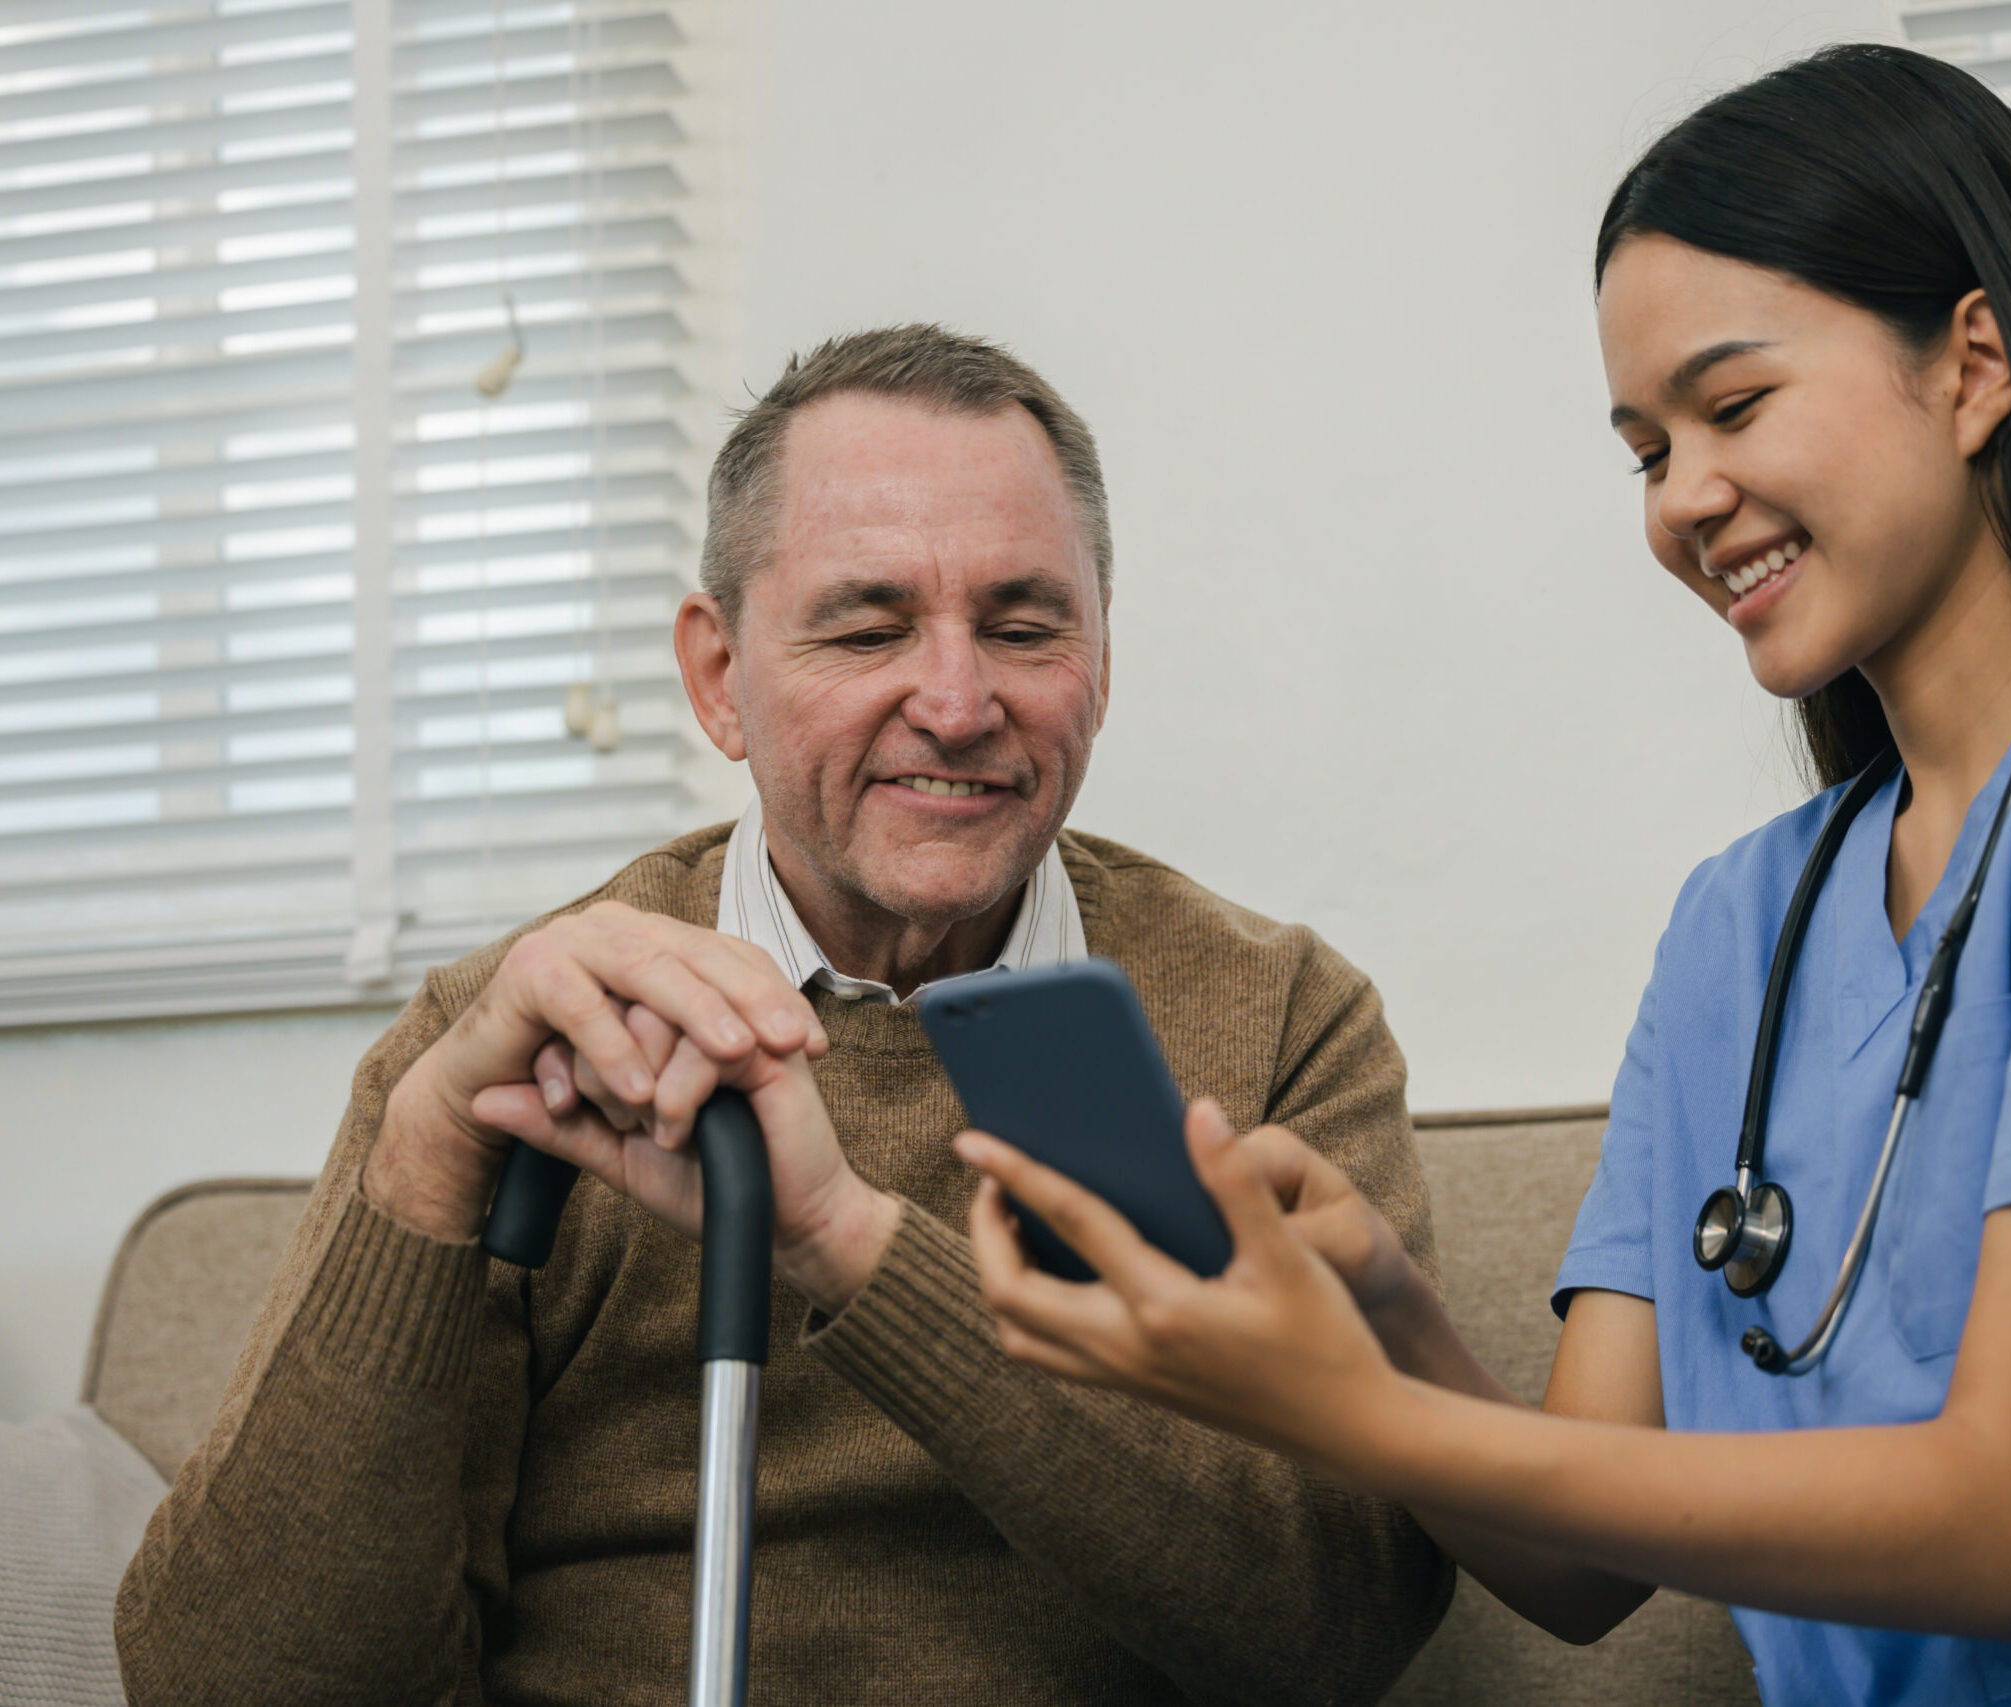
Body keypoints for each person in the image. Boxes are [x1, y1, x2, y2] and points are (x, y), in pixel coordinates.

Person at [955, 45, 2011, 1707]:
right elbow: (1581, 1563)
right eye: (1643, 448)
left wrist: (1338, 1412)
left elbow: (2009, 1522)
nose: (1684, 501)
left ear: (1972, 367)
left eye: (1730, 409)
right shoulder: (1744, 923)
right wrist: (1372, 1303)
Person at [115, 325, 1451, 1706]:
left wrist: (851, 1252)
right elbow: (226, 1684)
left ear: (1100, 660)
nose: (954, 702)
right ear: (717, 677)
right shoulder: (512, 1035)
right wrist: (424, 1164)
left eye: (1022, 625)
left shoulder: (1279, 1015)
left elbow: (1332, 1633)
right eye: (866, 629)